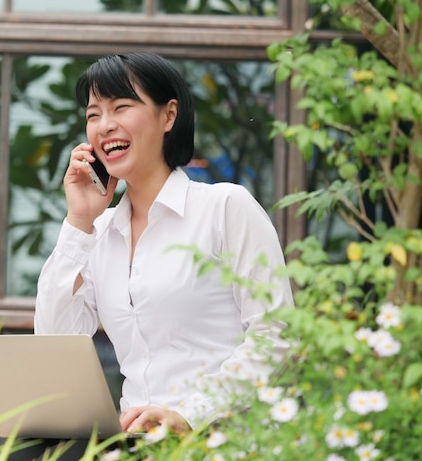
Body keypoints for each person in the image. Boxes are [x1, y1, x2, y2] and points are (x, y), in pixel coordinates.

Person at [34, 52, 294, 436]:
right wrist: (79, 222)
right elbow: (54, 346)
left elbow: (277, 335)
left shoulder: (224, 208)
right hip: (134, 445)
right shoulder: (99, 232)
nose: (105, 126)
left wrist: (190, 414)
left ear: (168, 115)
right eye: (93, 115)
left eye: (121, 107)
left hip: (224, 439)